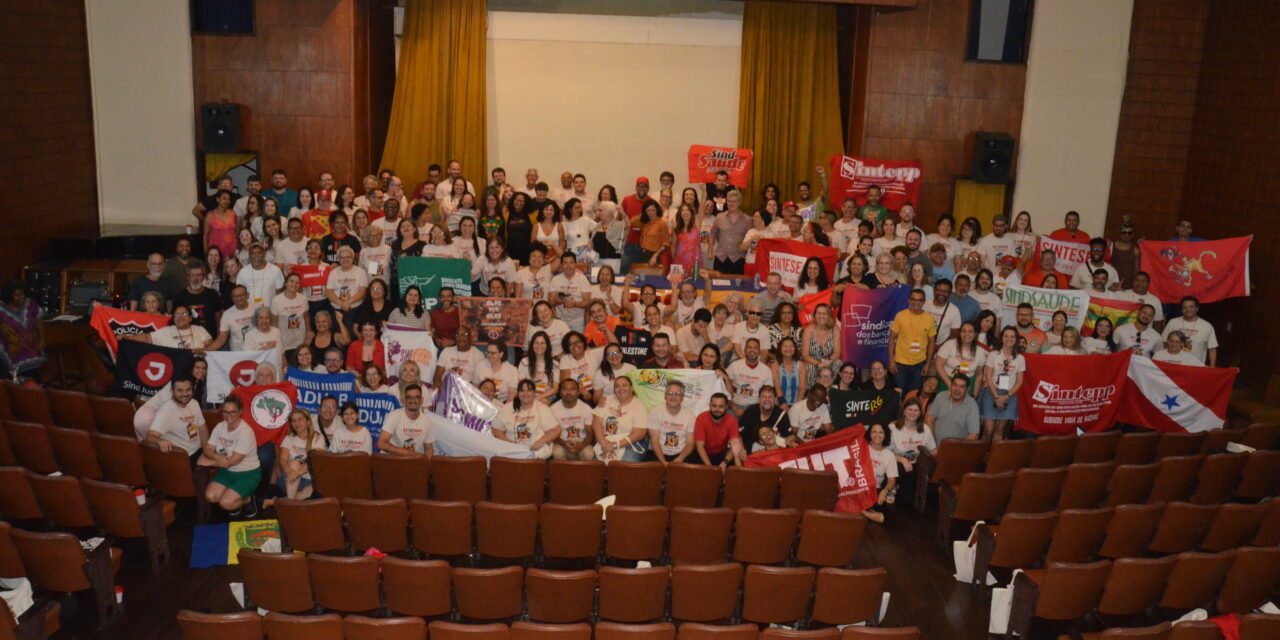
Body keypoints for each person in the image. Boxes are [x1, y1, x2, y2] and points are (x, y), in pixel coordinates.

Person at [200, 397, 260, 517]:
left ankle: (247, 499)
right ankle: (234, 499)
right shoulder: (220, 426)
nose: (228, 415)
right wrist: (218, 457)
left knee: (225, 503)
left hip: (247, 472)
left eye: (233, 412)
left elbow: (233, 461)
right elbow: (207, 449)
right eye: (225, 412)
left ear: (240, 412)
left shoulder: (245, 432)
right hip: (226, 471)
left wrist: (209, 461)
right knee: (210, 496)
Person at [888, 399, 936, 509]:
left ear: (920, 413)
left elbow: (933, 450)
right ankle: (891, 486)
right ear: (904, 411)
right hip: (894, 464)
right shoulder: (893, 427)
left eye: (916, 410)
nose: (912, 413)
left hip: (912, 466)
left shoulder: (925, 429)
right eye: (909, 409)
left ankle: (898, 486)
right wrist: (902, 459)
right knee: (900, 467)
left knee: (907, 500)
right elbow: (885, 452)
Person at [145, 376, 206, 461]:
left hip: (199, 450)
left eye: (188, 390)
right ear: (172, 391)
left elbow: (202, 428)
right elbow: (150, 437)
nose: (185, 394)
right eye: (180, 390)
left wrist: (206, 450)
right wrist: (159, 441)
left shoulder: (194, 403)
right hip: (184, 457)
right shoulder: (165, 411)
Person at [888, 289, 937, 395]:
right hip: (900, 363)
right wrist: (891, 360)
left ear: (924, 302)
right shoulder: (900, 315)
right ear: (909, 301)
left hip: (919, 364)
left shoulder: (929, 318)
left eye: (920, 300)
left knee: (914, 395)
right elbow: (891, 338)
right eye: (913, 299)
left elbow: (931, 342)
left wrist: (928, 364)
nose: (916, 302)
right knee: (898, 394)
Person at [980, 327, 1025, 440]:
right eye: (1006, 336)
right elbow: (988, 377)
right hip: (992, 393)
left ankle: (996, 452)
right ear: (1001, 338)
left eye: (1012, 336)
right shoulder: (993, 355)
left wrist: (1006, 397)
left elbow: (1019, 381)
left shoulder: (1020, 358)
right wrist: (996, 396)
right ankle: (982, 451)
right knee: (988, 430)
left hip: (1009, 395)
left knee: (1000, 430)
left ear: (1016, 339)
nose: (1009, 339)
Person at [495, 380, 559, 459]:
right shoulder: (508, 407)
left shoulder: (542, 408)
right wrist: (507, 443)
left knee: (540, 453)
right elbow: (496, 429)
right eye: (522, 391)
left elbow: (556, 430)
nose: (525, 394)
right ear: (518, 393)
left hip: (535, 449)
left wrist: (540, 442)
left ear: (534, 393)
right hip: (512, 448)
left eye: (529, 390)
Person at [592, 377, 649, 462]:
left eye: (624, 385)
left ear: (631, 388)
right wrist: (604, 444)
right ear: (614, 390)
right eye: (617, 386)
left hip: (631, 442)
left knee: (624, 463)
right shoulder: (606, 400)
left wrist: (615, 445)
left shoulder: (639, 406)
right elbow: (596, 423)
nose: (621, 388)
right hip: (606, 441)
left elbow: (638, 434)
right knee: (597, 465)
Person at [378, 384, 436, 456]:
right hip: (393, 460)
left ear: (421, 400)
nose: (413, 400)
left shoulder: (427, 422)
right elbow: (381, 444)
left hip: (415, 461)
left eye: (416, 397)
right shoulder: (394, 415)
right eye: (409, 397)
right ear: (404, 400)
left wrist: (426, 462)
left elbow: (429, 449)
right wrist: (407, 453)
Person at [648, 381, 695, 464]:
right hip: (658, 452)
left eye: (677, 394)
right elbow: (654, 441)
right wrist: (663, 462)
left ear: (682, 397)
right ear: (665, 396)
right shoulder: (655, 412)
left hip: (681, 454)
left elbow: (690, 443)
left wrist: (679, 459)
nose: (673, 397)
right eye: (670, 393)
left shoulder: (690, 415)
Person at [1162, 296, 1218, 366]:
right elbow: (1164, 343)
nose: (1188, 309)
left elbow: (1212, 349)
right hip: (1173, 364)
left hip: (1196, 367)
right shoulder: (1172, 322)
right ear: (1182, 309)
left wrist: (1212, 367)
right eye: (1185, 307)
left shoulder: (1207, 326)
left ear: (1197, 308)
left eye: (1191, 307)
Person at [933, 322, 986, 394]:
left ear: (975, 334)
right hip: (947, 380)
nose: (967, 334)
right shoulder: (950, 344)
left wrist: (974, 394)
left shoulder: (980, 351)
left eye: (970, 331)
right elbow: (938, 364)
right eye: (964, 331)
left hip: (967, 384)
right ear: (960, 333)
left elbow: (979, 374)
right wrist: (949, 384)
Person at [694, 393, 745, 467]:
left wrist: (724, 463)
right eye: (714, 406)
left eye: (720, 406)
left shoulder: (732, 420)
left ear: (726, 407)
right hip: (703, 453)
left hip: (721, 453)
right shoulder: (701, 418)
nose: (717, 409)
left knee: (736, 463)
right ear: (710, 406)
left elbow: (734, 447)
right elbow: (700, 446)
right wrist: (709, 467)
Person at [551, 378, 596, 460]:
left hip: (581, 442)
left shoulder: (586, 408)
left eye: (572, 389)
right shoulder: (552, 409)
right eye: (565, 389)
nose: (568, 392)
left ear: (578, 393)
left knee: (588, 454)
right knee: (557, 453)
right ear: (560, 392)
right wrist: (565, 443)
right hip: (562, 443)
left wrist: (580, 446)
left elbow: (590, 434)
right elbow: (551, 434)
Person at [926, 373, 980, 441]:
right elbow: (930, 419)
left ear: (967, 390)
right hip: (934, 444)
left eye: (961, 387)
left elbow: (974, 435)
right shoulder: (941, 396)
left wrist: (956, 447)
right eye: (955, 385)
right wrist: (932, 443)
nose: (957, 389)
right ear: (951, 385)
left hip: (957, 446)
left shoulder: (972, 405)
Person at [738, 385, 792, 452]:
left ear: (775, 399)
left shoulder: (782, 415)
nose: (767, 399)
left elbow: (791, 437)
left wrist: (774, 447)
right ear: (759, 399)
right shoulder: (750, 411)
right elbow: (738, 433)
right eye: (764, 397)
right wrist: (741, 449)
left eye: (770, 397)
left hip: (772, 452)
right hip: (749, 452)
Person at [710, 191, 752, 273]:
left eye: (734, 201)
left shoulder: (747, 220)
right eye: (729, 201)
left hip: (738, 259)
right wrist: (710, 251)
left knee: (737, 281)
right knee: (717, 281)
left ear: (739, 202)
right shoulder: (719, 217)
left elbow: (750, 239)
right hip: (721, 258)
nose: (731, 204)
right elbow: (712, 233)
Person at [727, 338, 772, 416]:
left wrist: (756, 411)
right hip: (736, 405)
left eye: (755, 348)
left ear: (759, 351)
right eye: (749, 347)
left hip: (756, 407)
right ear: (744, 350)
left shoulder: (766, 370)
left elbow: (768, 395)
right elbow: (725, 390)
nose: (752, 350)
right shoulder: (734, 366)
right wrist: (735, 408)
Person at [550, 253, 592, 332]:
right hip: (560, 322)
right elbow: (550, 303)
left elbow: (588, 303)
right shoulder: (555, 279)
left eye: (571, 262)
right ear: (561, 265)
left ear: (575, 264)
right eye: (565, 263)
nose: (568, 266)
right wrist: (557, 302)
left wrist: (575, 304)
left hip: (578, 322)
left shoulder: (582, 279)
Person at [864, 423, 896, 524]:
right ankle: (866, 514)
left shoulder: (889, 455)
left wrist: (884, 491)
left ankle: (862, 511)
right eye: (874, 432)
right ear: (869, 434)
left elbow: (892, 480)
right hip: (859, 486)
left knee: (881, 505)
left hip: (875, 488)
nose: (877, 435)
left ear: (886, 435)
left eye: (881, 432)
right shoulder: (863, 448)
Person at [207, 285, 255, 352]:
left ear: (247, 295)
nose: (239, 298)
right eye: (236, 296)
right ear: (232, 298)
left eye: (242, 295)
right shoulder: (227, 314)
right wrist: (206, 350)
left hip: (257, 350)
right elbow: (221, 339)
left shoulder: (257, 308)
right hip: (237, 352)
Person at [771, 337, 807, 406]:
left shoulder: (801, 365)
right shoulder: (775, 365)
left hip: (798, 403)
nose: (788, 349)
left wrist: (796, 406)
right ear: (780, 349)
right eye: (785, 346)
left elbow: (802, 388)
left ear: (795, 349)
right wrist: (783, 403)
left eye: (791, 346)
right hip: (780, 404)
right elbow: (777, 387)